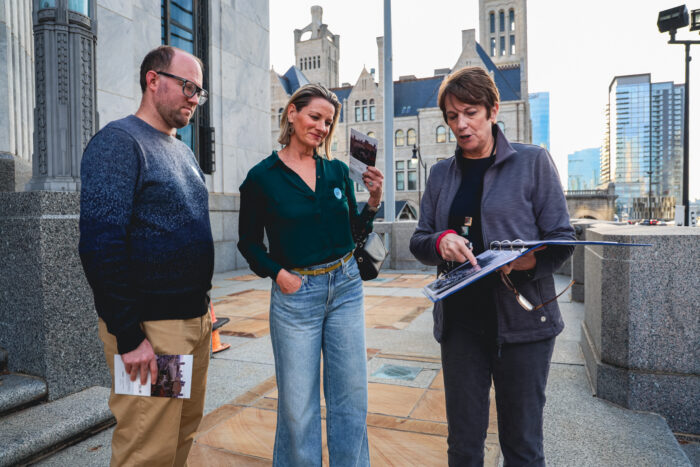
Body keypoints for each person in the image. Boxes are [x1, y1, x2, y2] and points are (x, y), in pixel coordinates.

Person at [409, 67, 575, 466]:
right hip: (461, 324)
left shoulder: (533, 161)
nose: (461, 125)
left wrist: (529, 260)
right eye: (452, 117)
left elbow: (564, 238)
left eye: (470, 112)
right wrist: (440, 241)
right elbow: (419, 241)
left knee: (521, 444)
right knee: (463, 445)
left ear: (493, 110)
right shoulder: (439, 175)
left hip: (523, 326)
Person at [79, 45, 214, 466]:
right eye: (188, 86)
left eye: (200, 91)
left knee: (179, 436)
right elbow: (100, 244)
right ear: (153, 80)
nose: (194, 97)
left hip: (190, 323)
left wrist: (202, 305)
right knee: (147, 449)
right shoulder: (118, 143)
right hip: (152, 333)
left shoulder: (182, 151)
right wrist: (130, 336)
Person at [238, 83, 383, 467]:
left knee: (351, 397)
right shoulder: (261, 178)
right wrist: (278, 274)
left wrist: (373, 202)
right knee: (298, 405)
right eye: (315, 117)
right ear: (292, 113)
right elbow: (248, 244)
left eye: (328, 122)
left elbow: (354, 233)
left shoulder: (336, 171)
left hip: (346, 288)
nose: (321, 127)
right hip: (296, 296)